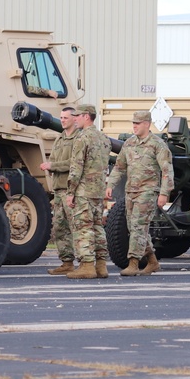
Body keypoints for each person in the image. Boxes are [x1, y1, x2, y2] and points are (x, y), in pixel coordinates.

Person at [105, 110, 175, 277]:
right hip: (131, 192)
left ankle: (133, 263)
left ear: (146, 124)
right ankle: (152, 261)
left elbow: (167, 171)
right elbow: (119, 167)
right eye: (133, 123)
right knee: (135, 228)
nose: (134, 126)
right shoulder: (129, 143)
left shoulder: (158, 145)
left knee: (137, 226)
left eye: (137, 123)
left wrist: (164, 193)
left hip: (148, 192)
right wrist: (110, 185)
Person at [63, 104, 112, 279]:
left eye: (77, 116)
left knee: (83, 228)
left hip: (83, 191)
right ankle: (101, 265)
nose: (74, 119)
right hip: (98, 191)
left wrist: (70, 192)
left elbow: (76, 168)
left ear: (86, 116)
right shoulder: (104, 139)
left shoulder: (82, 138)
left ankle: (86, 266)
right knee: (98, 227)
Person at [39, 106, 79, 275]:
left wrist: (53, 166)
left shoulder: (79, 140)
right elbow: (53, 159)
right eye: (61, 117)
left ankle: (87, 262)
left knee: (77, 227)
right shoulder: (59, 140)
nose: (62, 120)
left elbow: (75, 163)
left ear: (74, 119)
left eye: (65, 117)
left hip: (72, 190)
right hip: (59, 189)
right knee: (60, 227)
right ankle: (67, 262)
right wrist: (51, 166)